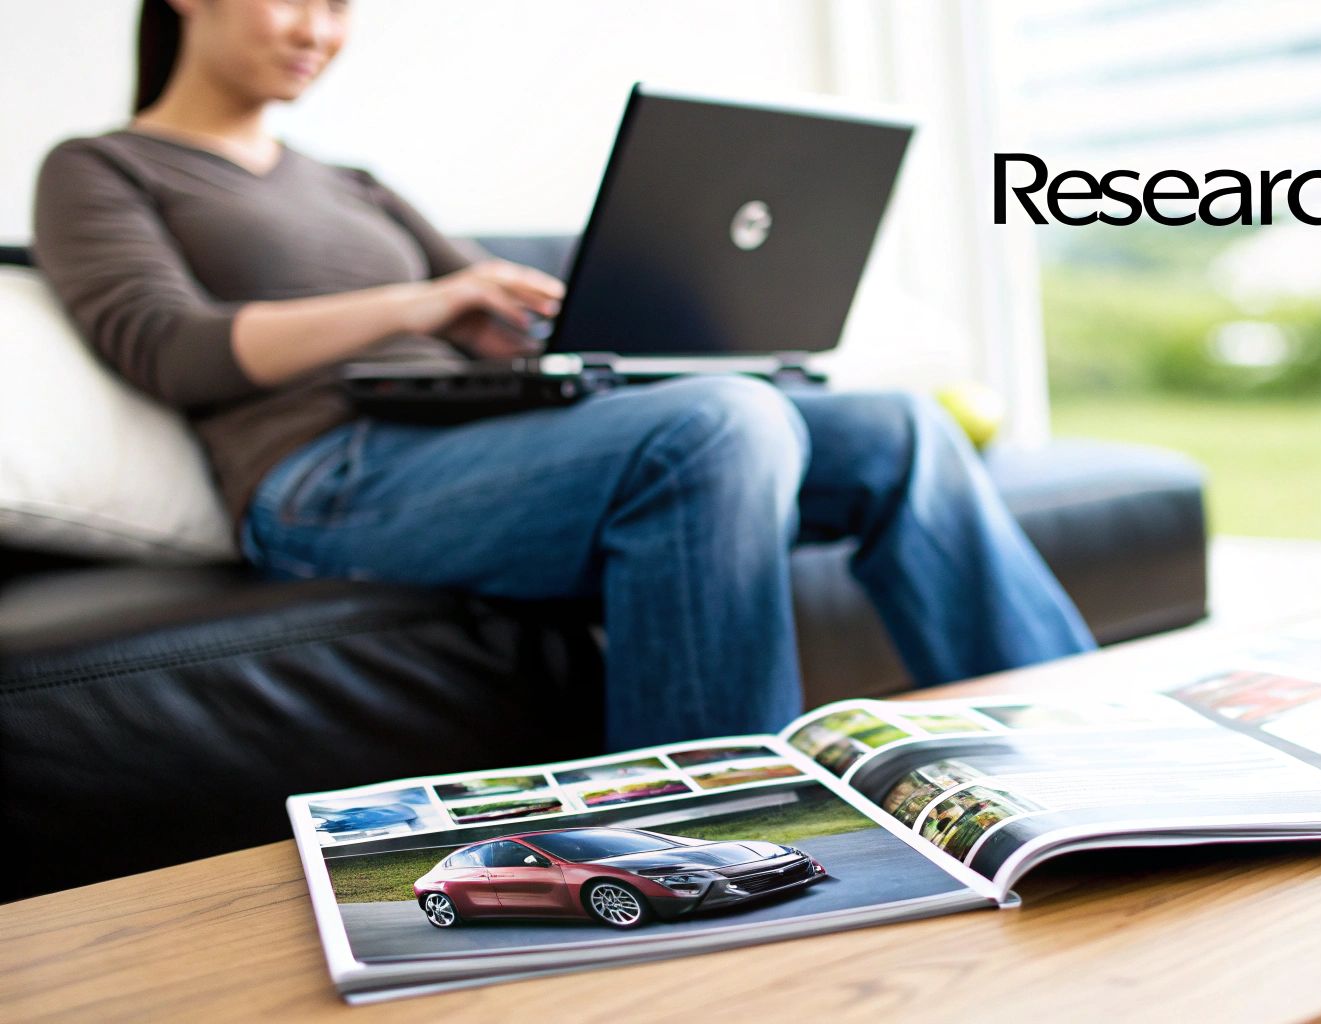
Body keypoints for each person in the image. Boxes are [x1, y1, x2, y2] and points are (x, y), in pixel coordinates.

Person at [30, 0, 1095, 751]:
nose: (319, 29)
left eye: (340, 4)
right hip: (325, 473)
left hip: (478, 434)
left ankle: (1076, 742)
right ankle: (714, 826)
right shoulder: (104, 167)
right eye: (292, 0)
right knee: (722, 425)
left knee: (894, 426)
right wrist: (418, 305)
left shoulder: (348, 182)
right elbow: (169, 348)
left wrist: (539, 334)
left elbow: (485, 300)